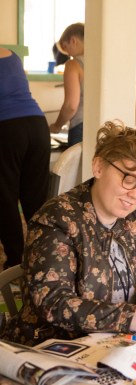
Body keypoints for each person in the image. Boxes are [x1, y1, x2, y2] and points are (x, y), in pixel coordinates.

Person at [1, 121, 136, 346]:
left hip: (118, 344)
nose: (135, 195)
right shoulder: (58, 218)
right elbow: (53, 303)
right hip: (52, 348)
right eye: (129, 179)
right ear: (98, 167)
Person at [0, 47, 51, 269]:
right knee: (35, 198)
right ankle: (42, 258)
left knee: (5, 199)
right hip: (37, 125)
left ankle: (15, 262)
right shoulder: (12, 55)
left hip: (8, 128)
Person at [48, 23, 84, 146]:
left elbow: (71, 106)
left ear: (73, 41)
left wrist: (57, 126)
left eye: (65, 47)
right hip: (105, 126)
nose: (68, 54)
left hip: (81, 128)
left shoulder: (73, 65)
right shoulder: (101, 61)